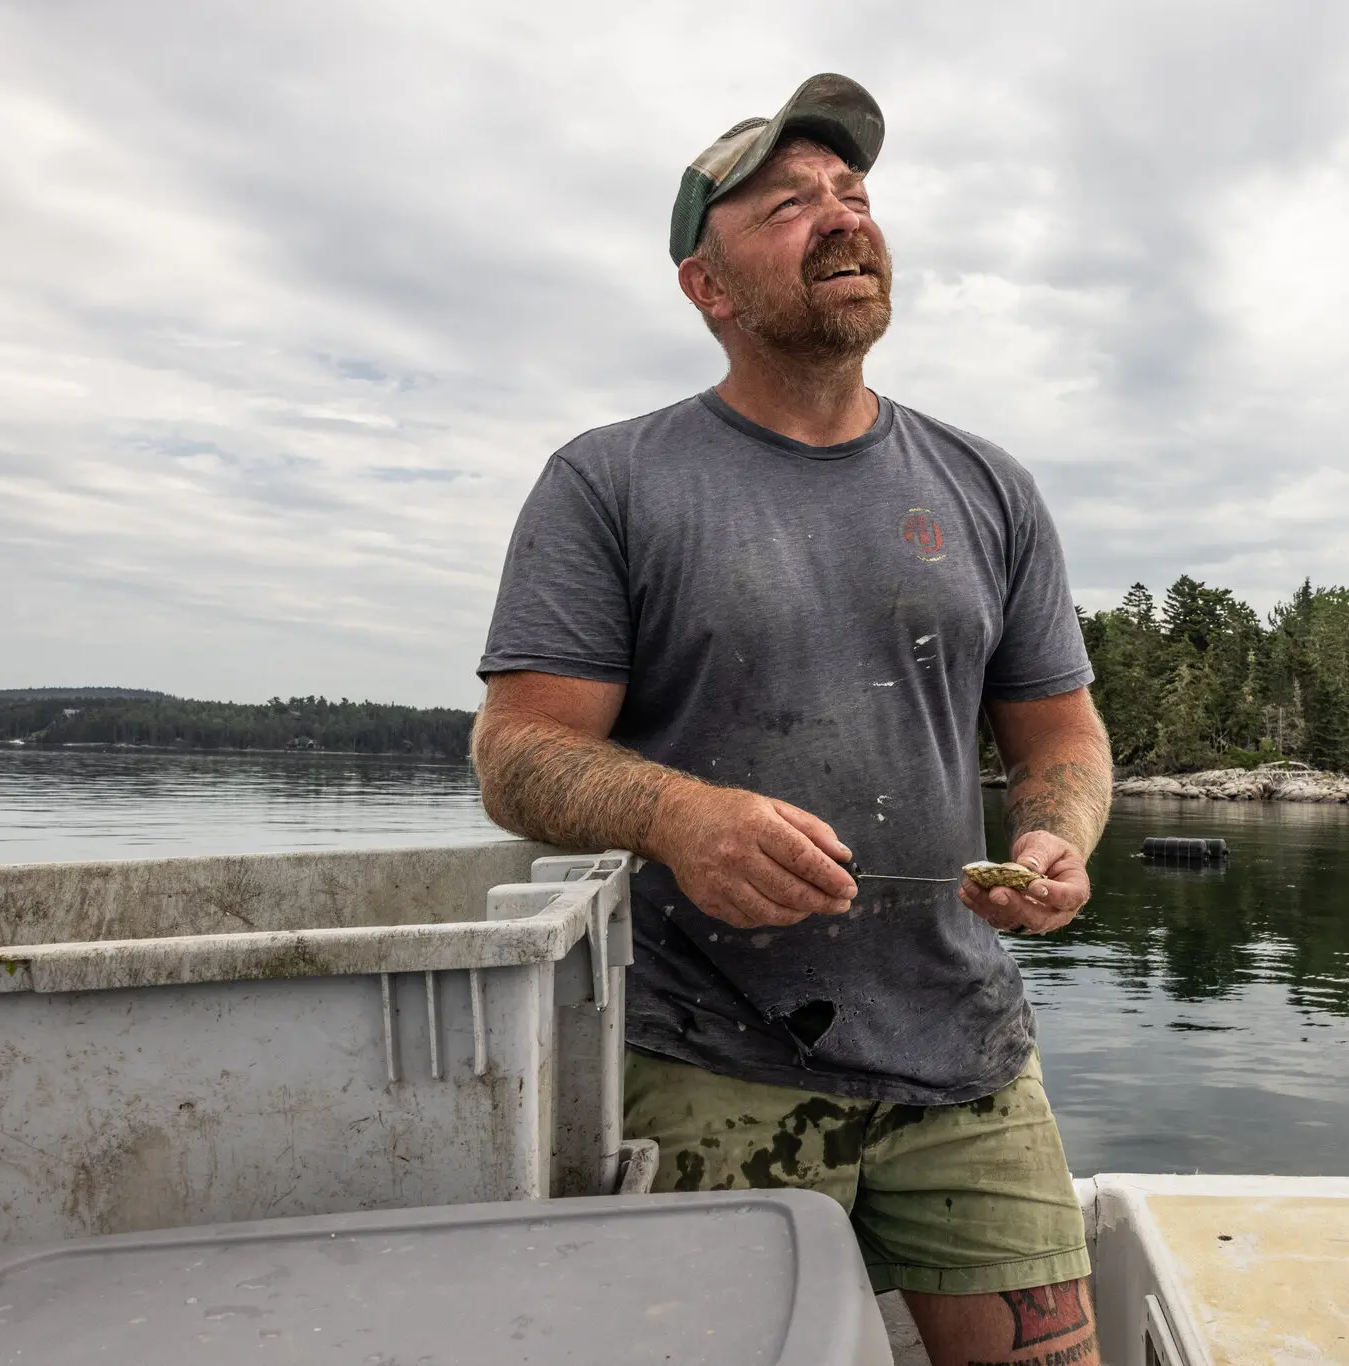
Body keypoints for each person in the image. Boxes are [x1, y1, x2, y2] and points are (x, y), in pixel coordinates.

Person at [472, 73, 1112, 1366]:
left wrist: (1057, 839)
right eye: (786, 204)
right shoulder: (610, 481)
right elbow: (516, 751)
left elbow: (1061, 740)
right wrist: (681, 813)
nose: (840, 218)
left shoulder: (989, 486)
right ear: (706, 285)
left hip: (967, 1054)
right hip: (709, 1058)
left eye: (854, 194)